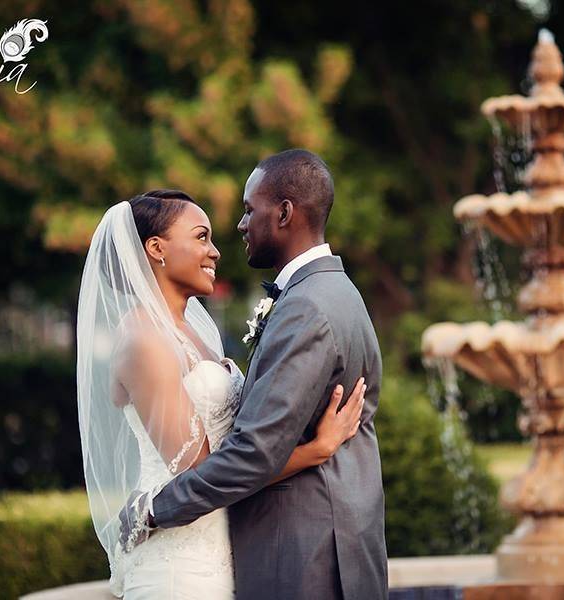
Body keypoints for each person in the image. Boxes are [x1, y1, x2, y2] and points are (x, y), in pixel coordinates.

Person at [77, 184, 368, 598]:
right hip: (181, 564)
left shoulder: (196, 334)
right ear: (157, 248)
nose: (215, 251)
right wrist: (316, 450)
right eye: (201, 237)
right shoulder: (144, 339)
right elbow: (201, 472)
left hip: (226, 546)